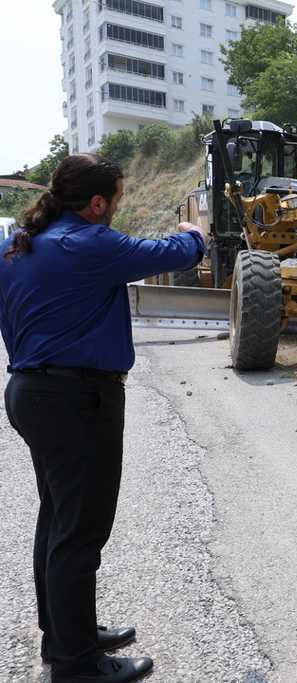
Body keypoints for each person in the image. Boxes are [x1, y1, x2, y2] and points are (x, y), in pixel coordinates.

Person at [0, 154, 209, 683]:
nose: (118, 207)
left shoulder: (15, 247)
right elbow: (177, 252)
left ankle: (67, 637)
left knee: (58, 523)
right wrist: (195, 229)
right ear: (97, 204)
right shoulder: (90, 244)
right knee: (79, 534)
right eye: (116, 199)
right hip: (77, 400)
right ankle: (76, 666)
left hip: (31, 391)